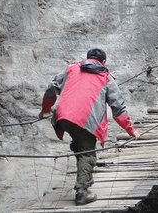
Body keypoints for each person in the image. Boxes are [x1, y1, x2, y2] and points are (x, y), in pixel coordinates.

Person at [38, 49, 139, 206]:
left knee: (80, 145)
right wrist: (131, 131)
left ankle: (82, 181)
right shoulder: (106, 78)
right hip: (86, 120)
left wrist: (45, 109)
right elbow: (118, 108)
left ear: (87, 59)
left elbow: (52, 89)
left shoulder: (71, 69)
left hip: (63, 117)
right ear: (103, 62)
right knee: (87, 154)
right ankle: (82, 192)